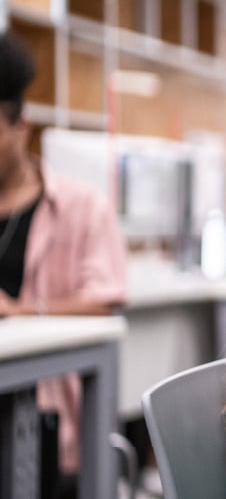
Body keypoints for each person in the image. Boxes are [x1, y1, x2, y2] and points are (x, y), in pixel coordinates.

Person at [0, 31, 128, 496]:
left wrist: (22, 310)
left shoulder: (79, 206)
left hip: (48, 425)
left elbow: (107, 301)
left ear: (21, 128)